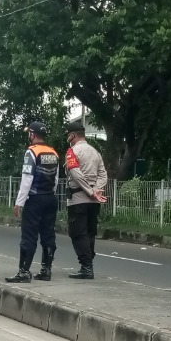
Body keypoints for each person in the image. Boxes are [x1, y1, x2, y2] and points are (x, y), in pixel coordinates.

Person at [5, 121, 60, 283]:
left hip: (35, 199)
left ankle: (24, 272)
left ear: (33, 135)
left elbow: (27, 179)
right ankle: (46, 270)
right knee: (48, 235)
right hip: (50, 198)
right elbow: (55, 180)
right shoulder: (53, 152)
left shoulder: (31, 152)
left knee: (29, 235)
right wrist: (50, 194)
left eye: (29, 133)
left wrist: (19, 202)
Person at [63, 118, 108, 280]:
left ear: (73, 135)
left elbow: (76, 174)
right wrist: (96, 190)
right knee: (89, 232)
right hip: (93, 202)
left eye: (68, 135)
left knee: (77, 233)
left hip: (78, 199)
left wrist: (90, 191)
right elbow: (103, 175)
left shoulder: (71, 152)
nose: (67, 138)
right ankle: (88, 265)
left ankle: (86, 267)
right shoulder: (95, 152)